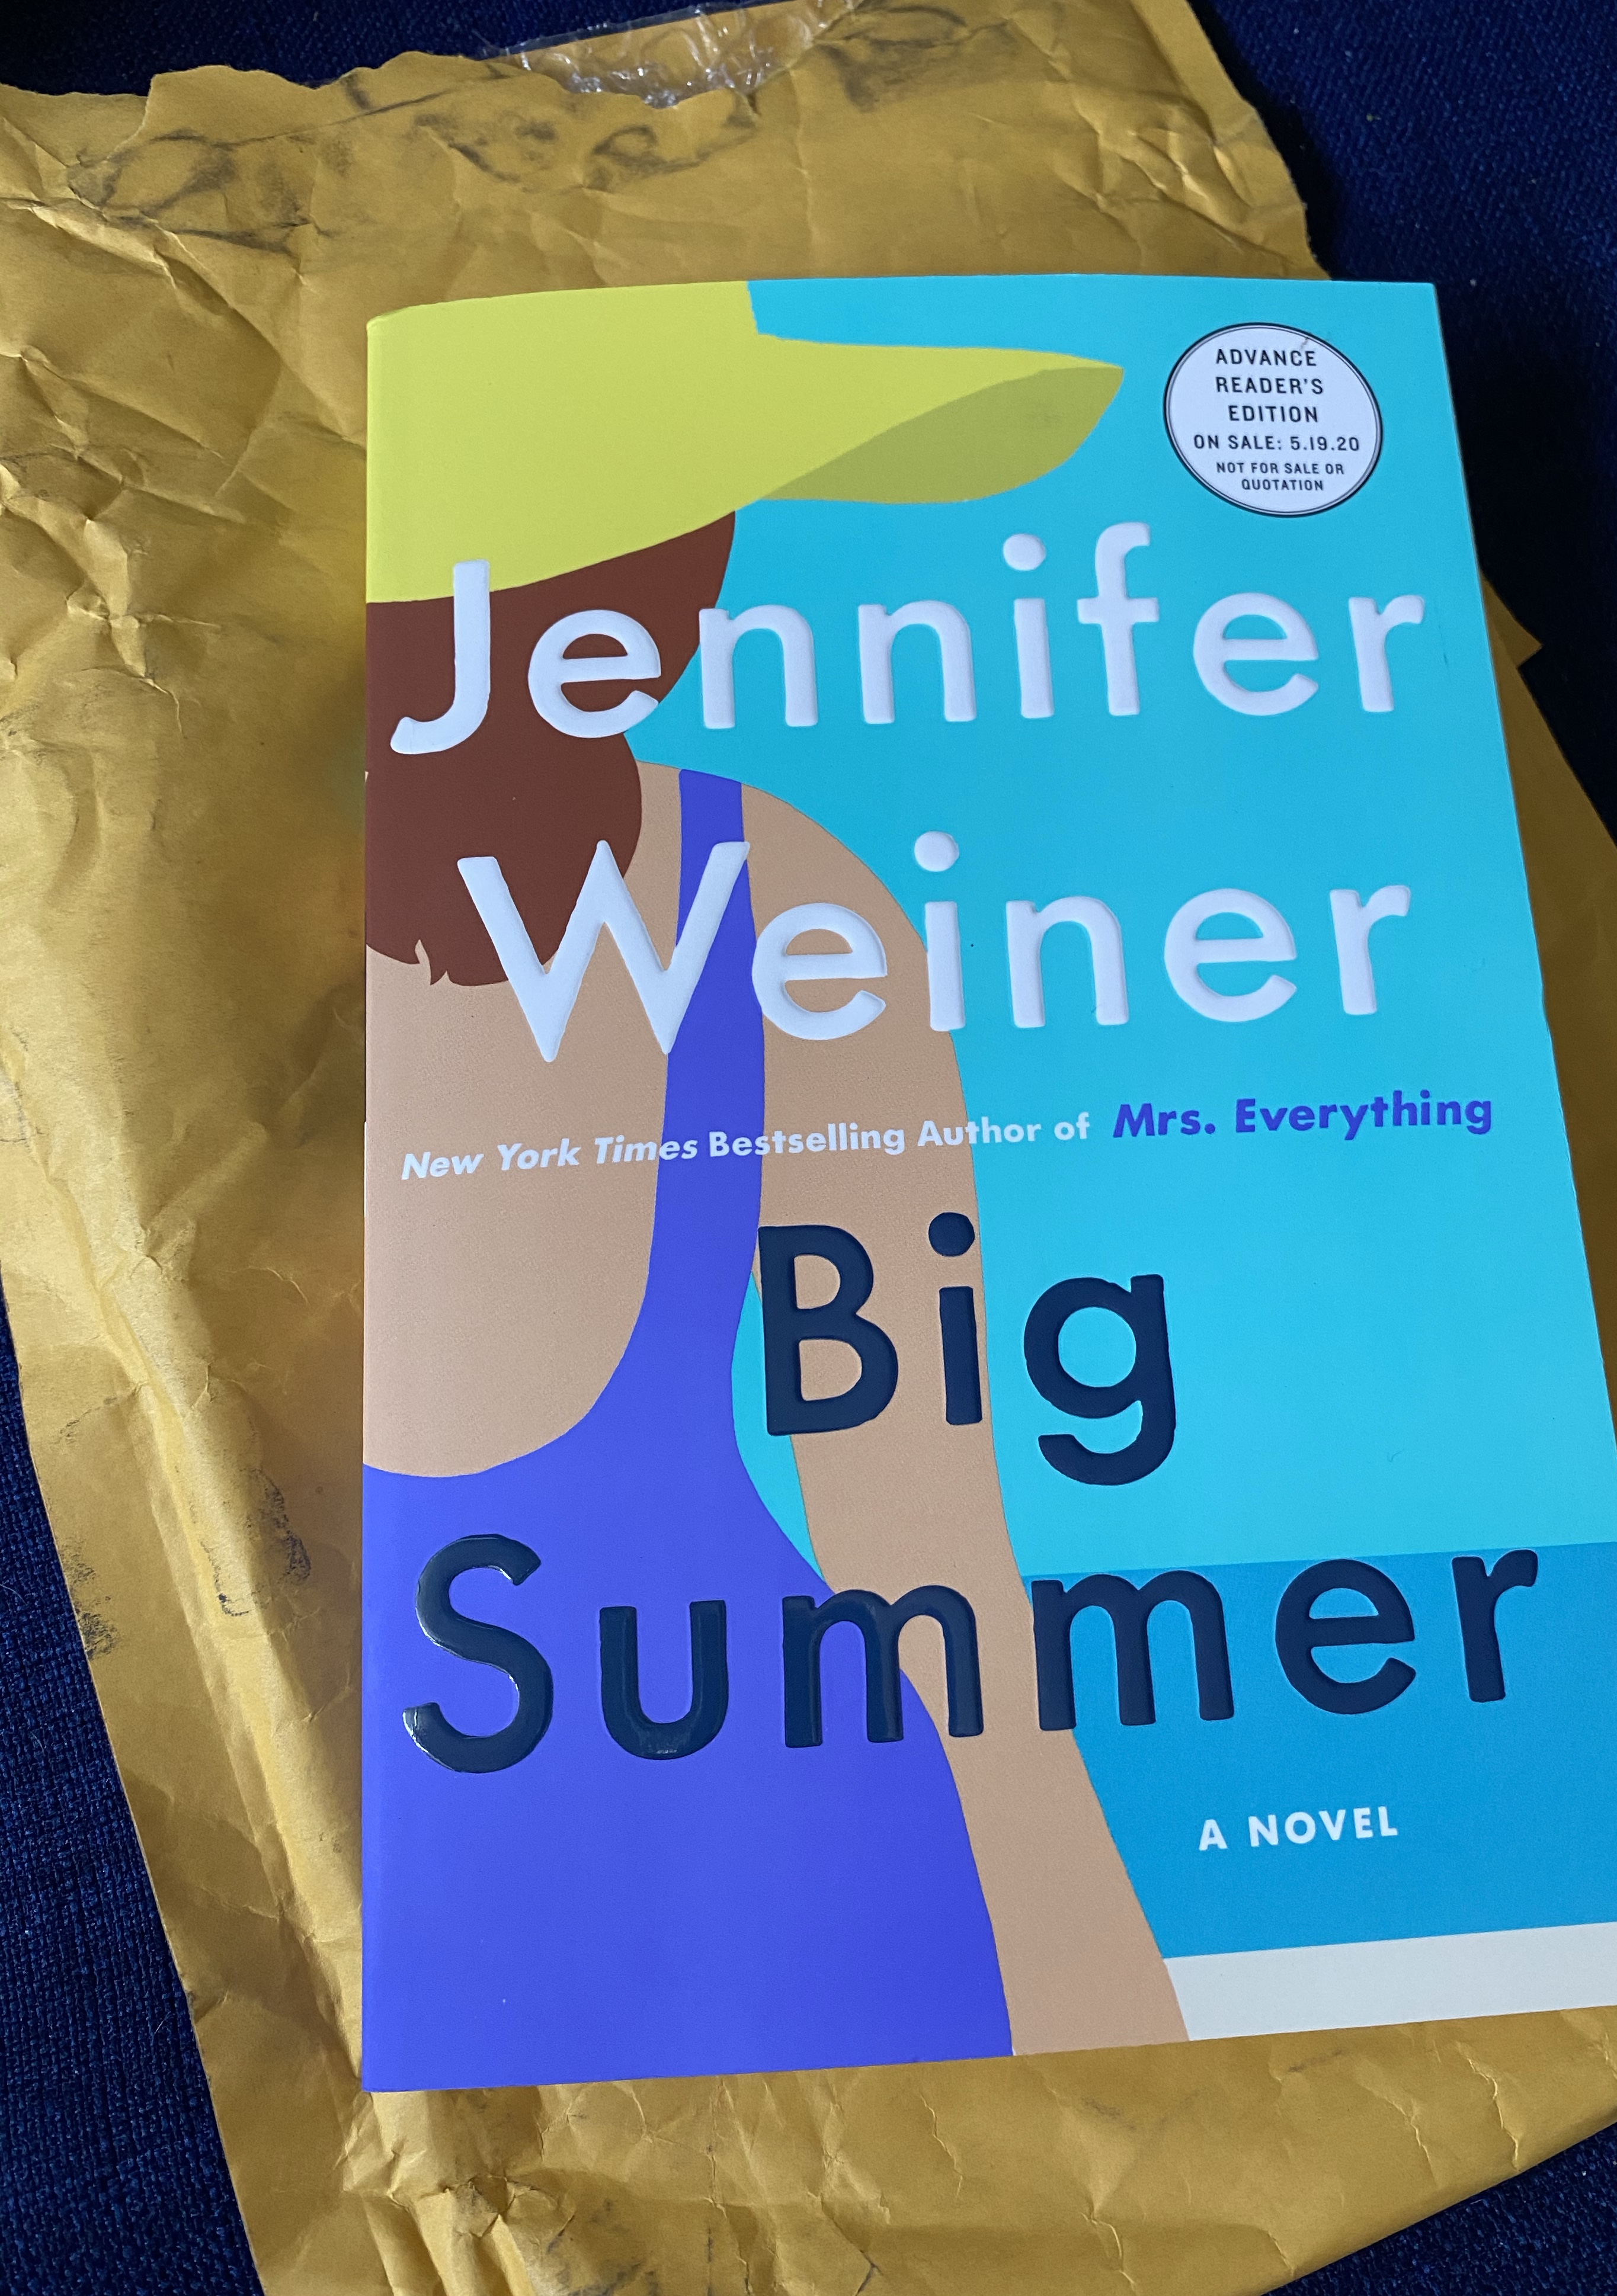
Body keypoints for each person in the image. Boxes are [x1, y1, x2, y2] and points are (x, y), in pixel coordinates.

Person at [361, 283, 1186, 2086]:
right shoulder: (217, 894)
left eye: (697, 534)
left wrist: (1131, 2030)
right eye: (643, 537)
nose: (689, 591)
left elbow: (935, 1541)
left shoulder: (775, 884)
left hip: (834, 1856)